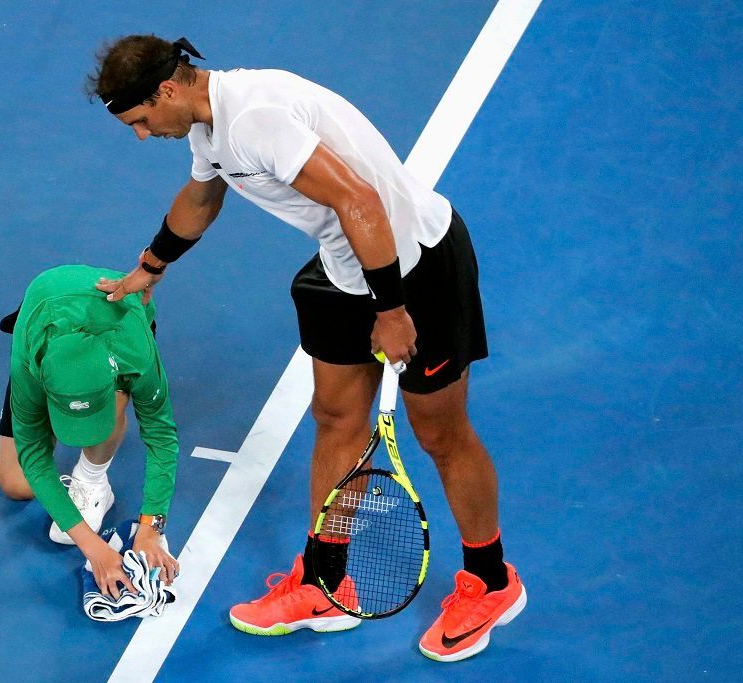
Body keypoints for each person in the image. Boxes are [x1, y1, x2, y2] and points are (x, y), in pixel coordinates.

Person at [84, 35, 525, 661]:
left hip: (414, 267)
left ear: (168, 91)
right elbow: (202, 198)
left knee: (440, 434)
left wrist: (392, 309)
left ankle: (491, 582)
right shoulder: (209, 127)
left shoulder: (257, 120)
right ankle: (326, 580)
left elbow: (358, 200)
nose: (141, 134)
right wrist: (151, 266)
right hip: (348, 267)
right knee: (337, 419)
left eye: (141, 120)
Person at [0, 264, 180, 597]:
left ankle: (93, 480)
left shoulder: (135, 353)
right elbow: (35, 459)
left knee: (114, 410)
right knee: (15, 484)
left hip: (118, 322)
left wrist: (152, 525)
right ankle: (65, 404)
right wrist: (94, 549)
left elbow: (161, 435)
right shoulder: (27, 367)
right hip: (46, 317)